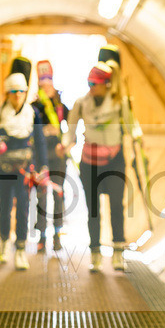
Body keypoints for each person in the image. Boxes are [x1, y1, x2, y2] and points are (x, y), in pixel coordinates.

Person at [60, 62, 135, 272]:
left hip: (114, 161)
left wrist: (136, 137)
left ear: (107, 84)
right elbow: (70, 130)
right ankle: (95, 253)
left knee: (116, 207)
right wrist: (65, 144)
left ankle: (118, 252)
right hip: (90, 163)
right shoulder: (82, 103)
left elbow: (130, 126)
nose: (91, 87)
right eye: (89, 83)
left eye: (96, 83)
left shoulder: (119, 102)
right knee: (93, 209)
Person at [0, 72, 48, 270]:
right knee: (5, 207)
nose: (17, 95)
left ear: (26, 92)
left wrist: (43, 167)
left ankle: (20, 249)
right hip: (3, 168)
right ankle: (3, 244)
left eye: (21, 91)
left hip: (25, 170)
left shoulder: (33, 114)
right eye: (13, 91)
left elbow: (40, 141)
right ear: (7, 93)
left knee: (24, 208)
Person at [32, 60, 70, 253]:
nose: (46, 84)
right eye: (42, 80)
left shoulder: (60, 104)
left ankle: (57, 234)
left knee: (58, 194)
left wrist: (67, 145)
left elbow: (72, 126)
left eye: (48, 80)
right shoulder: (34, 105)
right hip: (40, 156)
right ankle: (42, 236)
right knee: (41, 197)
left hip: (58, 155)